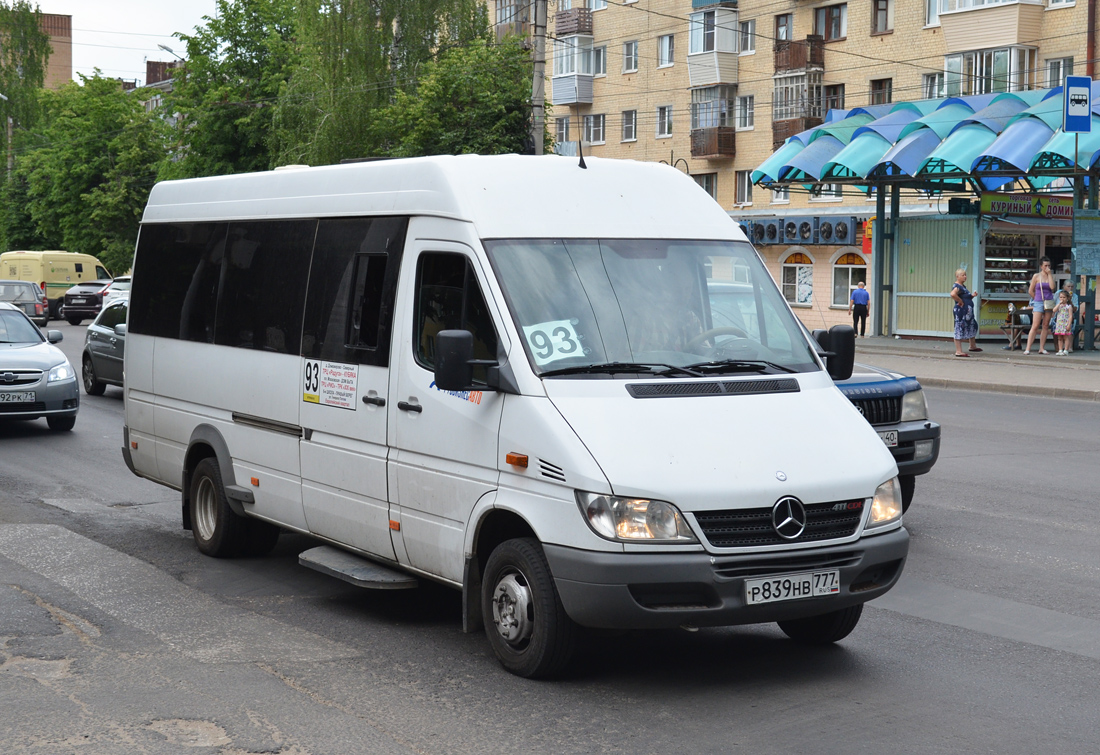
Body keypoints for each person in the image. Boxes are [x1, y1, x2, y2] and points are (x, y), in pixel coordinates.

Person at [1024, 256, 1055, 355]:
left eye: (1049, 265)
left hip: (1049, 301)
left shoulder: (1050, 275)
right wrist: (1036, 298)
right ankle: (1028, 348)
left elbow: (1052, 287)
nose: (1047, 267)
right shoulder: (1036, 276)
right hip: (1038, 302)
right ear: (1041, 266)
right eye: (1045, 265)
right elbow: (1030, 290)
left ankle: (1042, 348)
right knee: (1035, 325)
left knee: (1045, 325)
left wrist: (1049, 274)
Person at [950, 268, 979, 357]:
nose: (965, 277)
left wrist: (972, 296)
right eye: (963, 275)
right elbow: (952, 294)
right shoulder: (957, 286)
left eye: (965, 275)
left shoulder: (963, 287)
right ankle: (958, 351)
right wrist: (960, 301)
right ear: (957, 276)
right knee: (959, 327)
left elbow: (966, 297)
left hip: (968, 312)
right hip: (961, 312)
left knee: (972, 325)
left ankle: (972, 346)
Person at [1052, 290, 1075, 355]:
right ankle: (1060, 349)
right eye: (1061, 297)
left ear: (1067, 298)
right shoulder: (1059, 305)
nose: (1062, 299)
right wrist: (1059, 303)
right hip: (1059, 323)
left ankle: (1066, 349)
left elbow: (1070, 316)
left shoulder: (1068, 306)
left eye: (1064, 297)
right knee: (1059, 337)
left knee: (1066, 337)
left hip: (1065, 323)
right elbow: (1054, 310)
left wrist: (1069, 324)